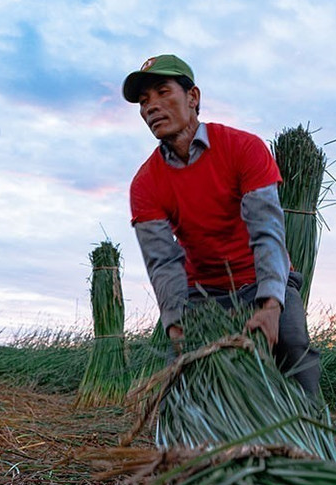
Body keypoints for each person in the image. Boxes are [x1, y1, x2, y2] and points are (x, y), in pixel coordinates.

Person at [124, 52, 320, 397]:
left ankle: (314, 444)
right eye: (143, 101)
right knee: (189, 382)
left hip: (261, 278)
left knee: (293, 350)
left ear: (193, 97)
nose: (151, 107)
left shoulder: (243, 148)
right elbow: (163, 264)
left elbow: (268, 232)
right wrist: (176, 327)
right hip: (205, 294)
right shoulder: (145, 183)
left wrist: (271, 305)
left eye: (162, 92)